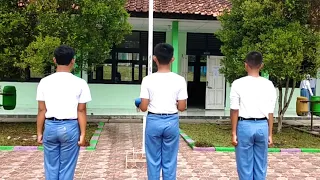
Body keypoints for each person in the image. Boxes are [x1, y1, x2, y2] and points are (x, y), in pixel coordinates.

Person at [36, 45, 92, 180]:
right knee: (67, 167)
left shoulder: (44, 82)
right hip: (70, 127)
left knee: (50, 166)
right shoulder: (80, 83)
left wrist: (39, 132)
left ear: (54, 60)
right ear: (73, 60)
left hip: (50, 126)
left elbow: (42, 110)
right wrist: (83, 134)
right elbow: (81, 110)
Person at [138, 43, 188, 180]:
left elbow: (143, 107)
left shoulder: (147, 80)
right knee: (170, 161)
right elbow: (182, 107)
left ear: (154, 58)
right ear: (172, 59)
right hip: (172, 121)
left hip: (153, 121)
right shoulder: (180, 80)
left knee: (153, 160)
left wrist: (139, 104)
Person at [230, 51, 277, 180]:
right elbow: (270, 112)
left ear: (246, 65)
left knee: (244, 166)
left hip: (244, 126)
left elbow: (234, 109)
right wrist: (270, 134)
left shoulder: (237, 83)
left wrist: (234, 132)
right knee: (261, 166)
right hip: (262, 126)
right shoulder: (269, 84)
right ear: (261, 65)